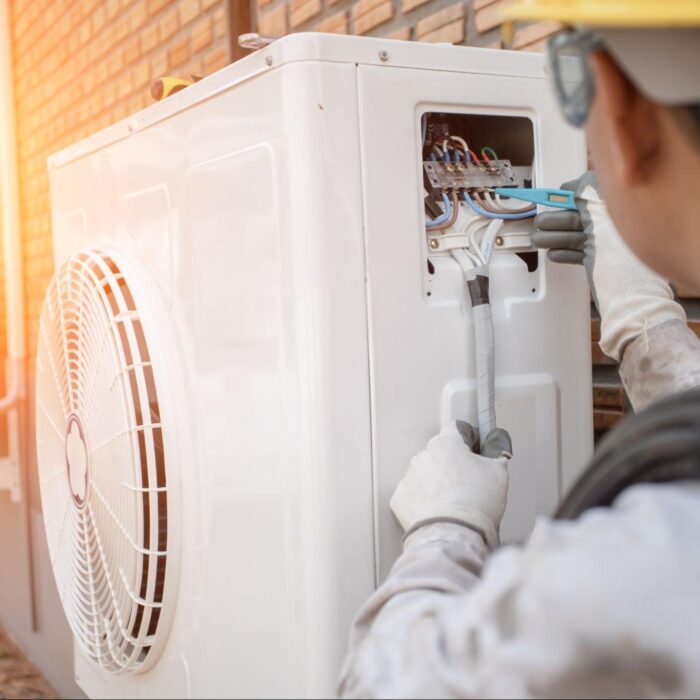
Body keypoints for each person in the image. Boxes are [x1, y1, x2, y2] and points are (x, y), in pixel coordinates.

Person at [339, 2, 700, 697]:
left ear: (621, 112)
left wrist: (446, 529)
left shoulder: (639, 569)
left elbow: (383, 683)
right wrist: (645, 327)